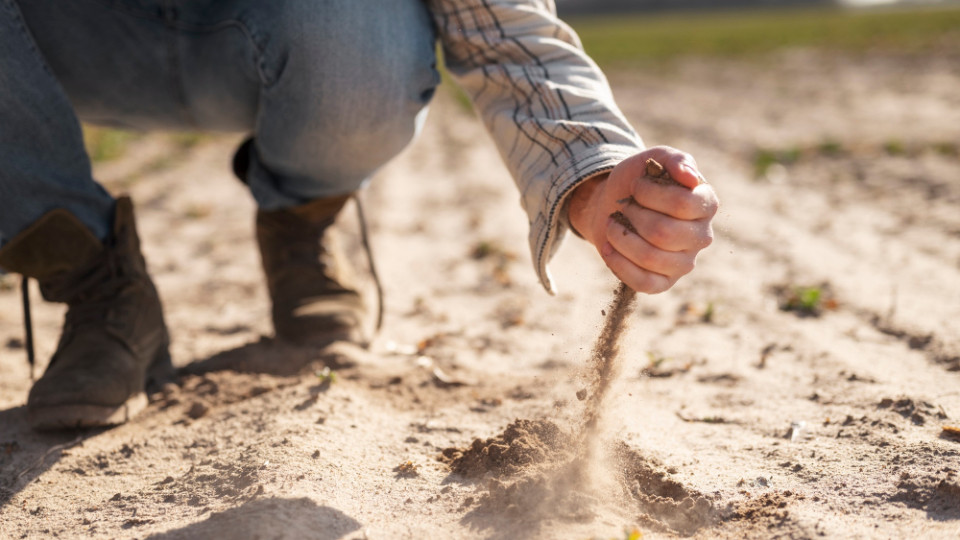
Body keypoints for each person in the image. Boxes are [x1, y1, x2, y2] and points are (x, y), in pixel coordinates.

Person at [0, 0, 719, 430]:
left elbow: (498, 22)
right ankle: (95, 280)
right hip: (51, 40)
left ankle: (301, 217)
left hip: (262, 32)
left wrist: (588, 171)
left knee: (361, 24)